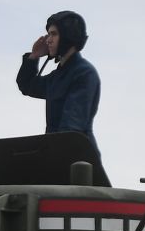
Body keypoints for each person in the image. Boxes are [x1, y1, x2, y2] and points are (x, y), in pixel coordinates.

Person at [16, 11, 100, 146]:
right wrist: (33, 57)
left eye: (54, 34)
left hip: (76, 156)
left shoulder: (83, 73)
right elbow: (27, 86)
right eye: (48, 34)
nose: (48, 39)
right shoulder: (57, 76)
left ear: (68, 36)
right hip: (56, 151)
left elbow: (72, 126)